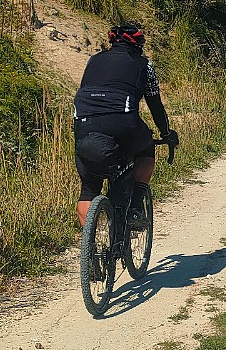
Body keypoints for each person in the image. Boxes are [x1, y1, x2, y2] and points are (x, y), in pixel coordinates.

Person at [73, 24, 177, 228]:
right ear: (138, 45)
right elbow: (155, 104)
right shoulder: (143, 65)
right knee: (146, 149)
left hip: (84, 124)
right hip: (123, 123)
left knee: (89, 187)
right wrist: (166, 133)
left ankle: (90, 250)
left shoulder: (93, 61)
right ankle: (136, 207)